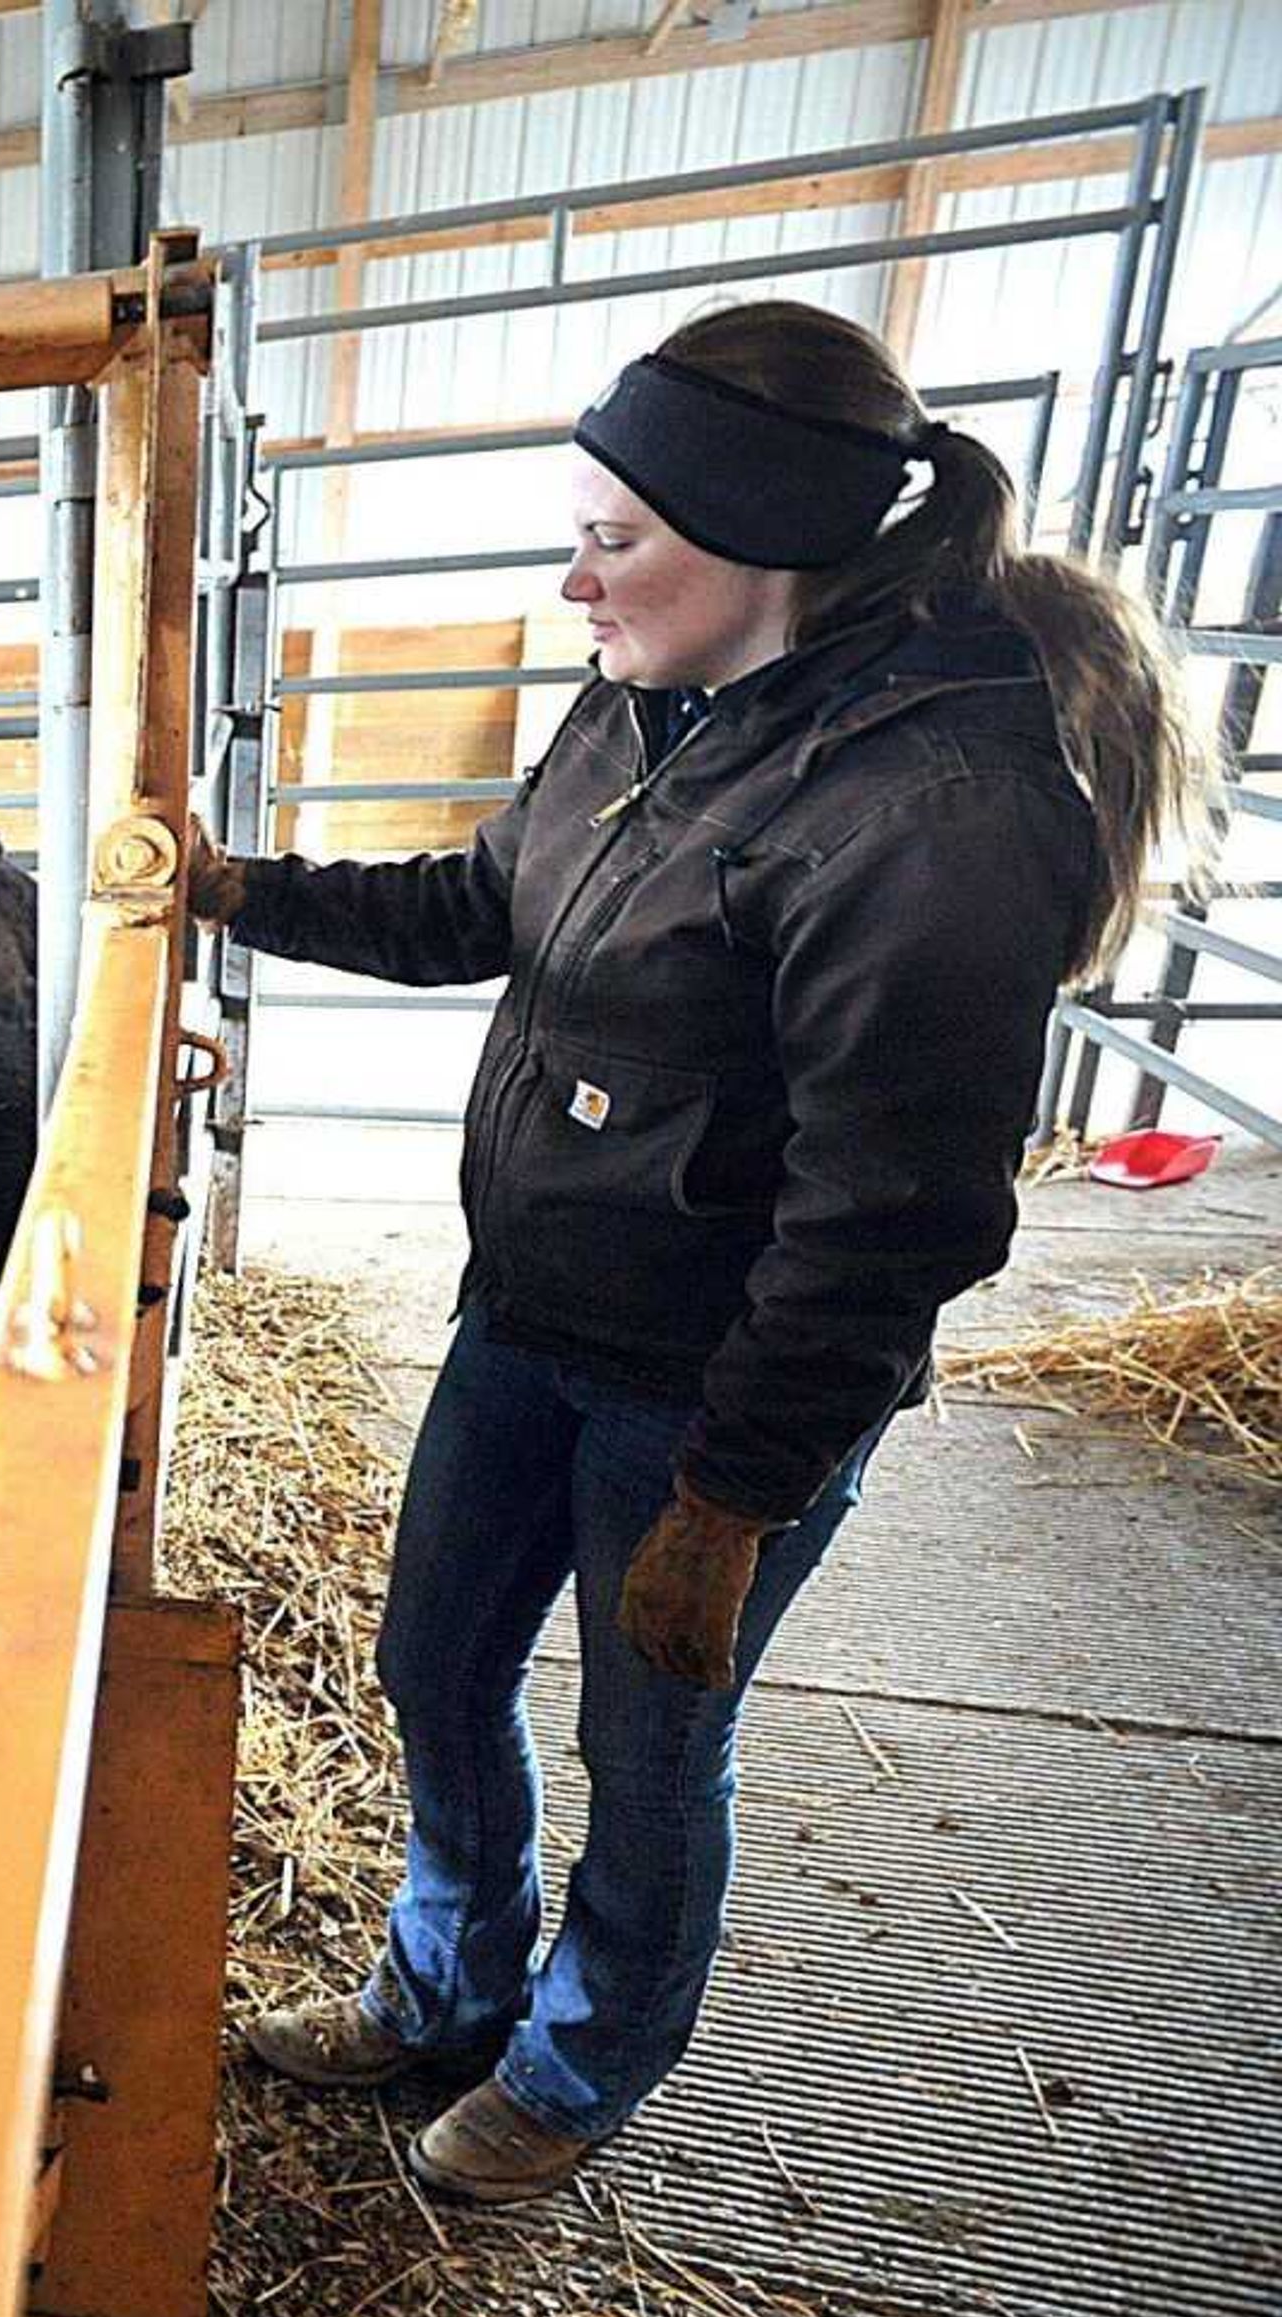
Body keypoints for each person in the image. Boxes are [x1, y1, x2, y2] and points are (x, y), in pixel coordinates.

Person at [192, 300, 1213, 2204]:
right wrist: (238, 885)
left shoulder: (934, 815)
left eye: (614, 538)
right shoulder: (643, 700)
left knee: (649, 1733)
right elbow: (483, 900)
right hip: (532, 1310)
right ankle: (446, 1977)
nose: (574, 576)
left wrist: (733, 1498)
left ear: (764, 542)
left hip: (713, 1383)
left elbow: (891, 1219)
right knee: (433, 1660)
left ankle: (580, 2067)